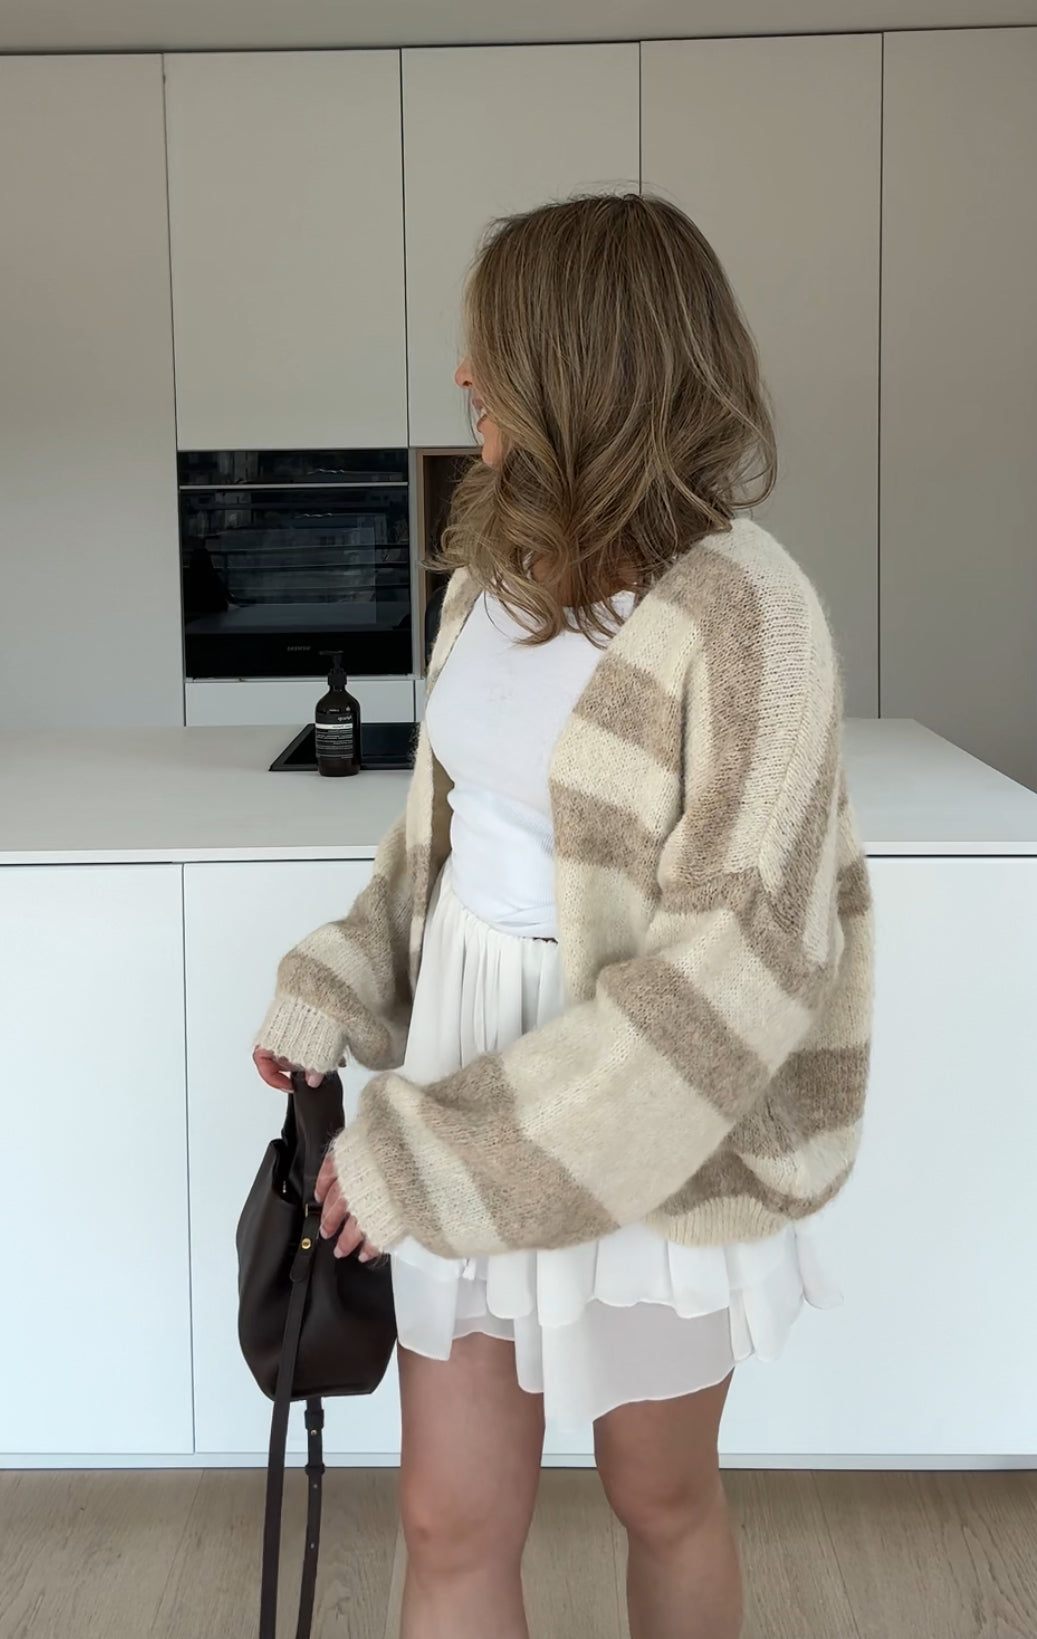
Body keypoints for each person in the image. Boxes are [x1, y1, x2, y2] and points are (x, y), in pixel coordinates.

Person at [254, 193, 875, 1639]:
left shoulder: (748, 614)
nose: (464, 375)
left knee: (660, 1496)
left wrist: (440, 1156)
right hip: (471, 1054)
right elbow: (442, 848)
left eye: (493, 348)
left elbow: (735, 976)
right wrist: (337, 983)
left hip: (654, 1111)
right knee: (446, 1519)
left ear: (584, 363)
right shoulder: (493, 573)